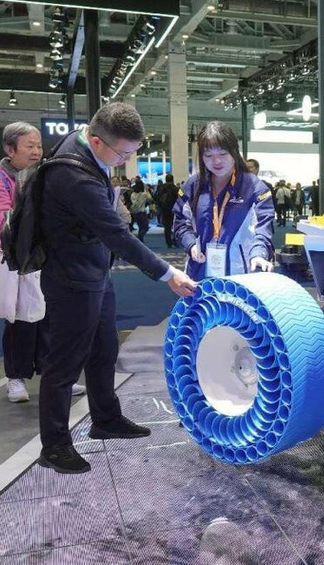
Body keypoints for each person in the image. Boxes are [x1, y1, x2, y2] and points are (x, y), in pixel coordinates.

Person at [38, 102, 196, 474]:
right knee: (63, 364)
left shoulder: (88, 152)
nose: (127, 160)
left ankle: (105, 418)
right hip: (72, 279)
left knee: (104, 349)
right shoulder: (73, 176)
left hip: (94, 271)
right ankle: (55, 444)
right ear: (96, 139)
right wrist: (167, 274)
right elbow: (115, 233)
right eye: (123, 153)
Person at [0, 122, 86, 403]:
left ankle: (57, 375)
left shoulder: (47, 175)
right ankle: (15, 378)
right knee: (19, 322)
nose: (37, 151)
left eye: (38, 145)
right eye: (29, 146)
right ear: (9, 149)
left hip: (49, 259)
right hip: (17, 260)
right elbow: (1, 219)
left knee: (52, 320)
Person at [173, 121, 275, 282]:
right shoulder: (192, 187)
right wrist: (191, 244)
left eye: (222, 154)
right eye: (208, 155)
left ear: (234, 152)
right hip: (199, 273)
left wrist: (259, 254)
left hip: (241, 276)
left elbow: (263, 228)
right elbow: (180, 224)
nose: (216, 161)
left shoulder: (255, 188)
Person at [157, 174, 178, 248]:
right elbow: (182, 196)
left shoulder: (161, 187)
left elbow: (157, 197)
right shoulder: (175, 188)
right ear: (172, 179)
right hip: (174, 209)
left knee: (167, 227)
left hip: (164, 209)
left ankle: (168, 242)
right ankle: (175, 241)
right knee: (176, 226)